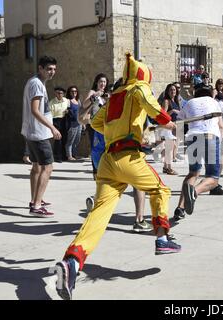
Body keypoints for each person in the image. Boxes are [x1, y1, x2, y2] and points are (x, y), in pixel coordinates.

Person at [53, 54, 181, 300]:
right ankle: (162, 238)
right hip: (127, 158)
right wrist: (167, 123)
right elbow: (153, 107)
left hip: (107, 162)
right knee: (161, 190)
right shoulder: (138, 88)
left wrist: (131, 129)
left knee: (99, 215)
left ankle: (72, 262)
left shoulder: (113, 98)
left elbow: (98, 124)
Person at [81, 78, 152, 233]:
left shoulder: (109, 106)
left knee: (110, 186)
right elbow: (83, 119)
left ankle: (96, 206)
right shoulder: (127, 106)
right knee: (138, 184)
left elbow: (88, 121)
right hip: (119, 152)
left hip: (105, 154)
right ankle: (139, 220)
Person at [173, 86, 223, 220]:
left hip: (193, 137)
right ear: (209, 94)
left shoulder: (189, 103)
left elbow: (177, 126)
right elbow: (221, 127)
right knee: (213, 179)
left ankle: (180, 208)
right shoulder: (214, 102)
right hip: (210, 136)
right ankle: (194, 192)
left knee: (193, 173)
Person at [21, 56, 61, 218]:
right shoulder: (37, 85)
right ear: (40, 68)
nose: (52, 72)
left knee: (37, 167)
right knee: (47, 167)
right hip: (39, 134)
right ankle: (36, 206)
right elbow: (35, 110)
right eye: (49, 69)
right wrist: (52, 127)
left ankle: (35, 200)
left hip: (33, 132)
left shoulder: (34, 82)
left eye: (54, 69)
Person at [49, 87, 69, 162]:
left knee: (65, 138)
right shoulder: (52, 102)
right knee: (58, 140)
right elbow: (50, 115)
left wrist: (68, 111)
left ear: (63, 94)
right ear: (55, 93)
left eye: (61, 93)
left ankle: (64, 156)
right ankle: (57, 157)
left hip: (64, 121)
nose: (59, 94)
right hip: (56, 121)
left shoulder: (66, 101)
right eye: (57, 93)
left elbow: (70, 108)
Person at [65, 86, 83, 161]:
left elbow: (81, 112)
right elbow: (66, 111)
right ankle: (69, 156)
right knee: (70, 140)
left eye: (75, 91)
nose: (74, 93)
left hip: (79, 123)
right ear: (69, 92)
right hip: (72, 124)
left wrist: (83, 123)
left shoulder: (78, 101)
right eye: (72, 91)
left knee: (77, 140)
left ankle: (74, 155)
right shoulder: (68, 101)